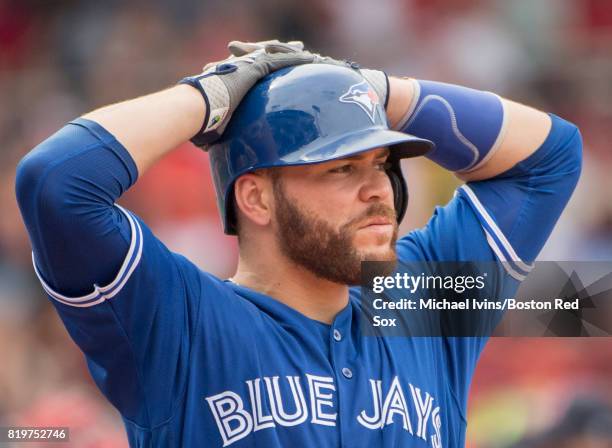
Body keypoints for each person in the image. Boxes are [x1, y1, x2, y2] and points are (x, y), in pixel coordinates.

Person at [15, 40, 582, 447]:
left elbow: (551, 156)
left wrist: (372, 90)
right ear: (256, 198)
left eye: (381, 164)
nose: (378, 190)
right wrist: (209, 97)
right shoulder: (180, 323)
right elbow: (56, 183)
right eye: (340, 169)